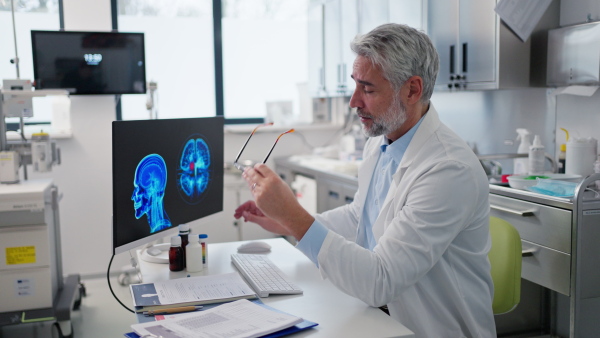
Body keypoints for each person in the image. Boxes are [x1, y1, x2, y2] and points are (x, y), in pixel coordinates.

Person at [234, 23, 496, 337]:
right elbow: (360, 217)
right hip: (380, 320)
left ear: (412, 90)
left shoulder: (448, 170)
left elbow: (380, 282)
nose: (353, 101)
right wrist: (286, 220)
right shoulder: (381, 141)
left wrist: (294, 216)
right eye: (355, 85)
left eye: (368, 89)